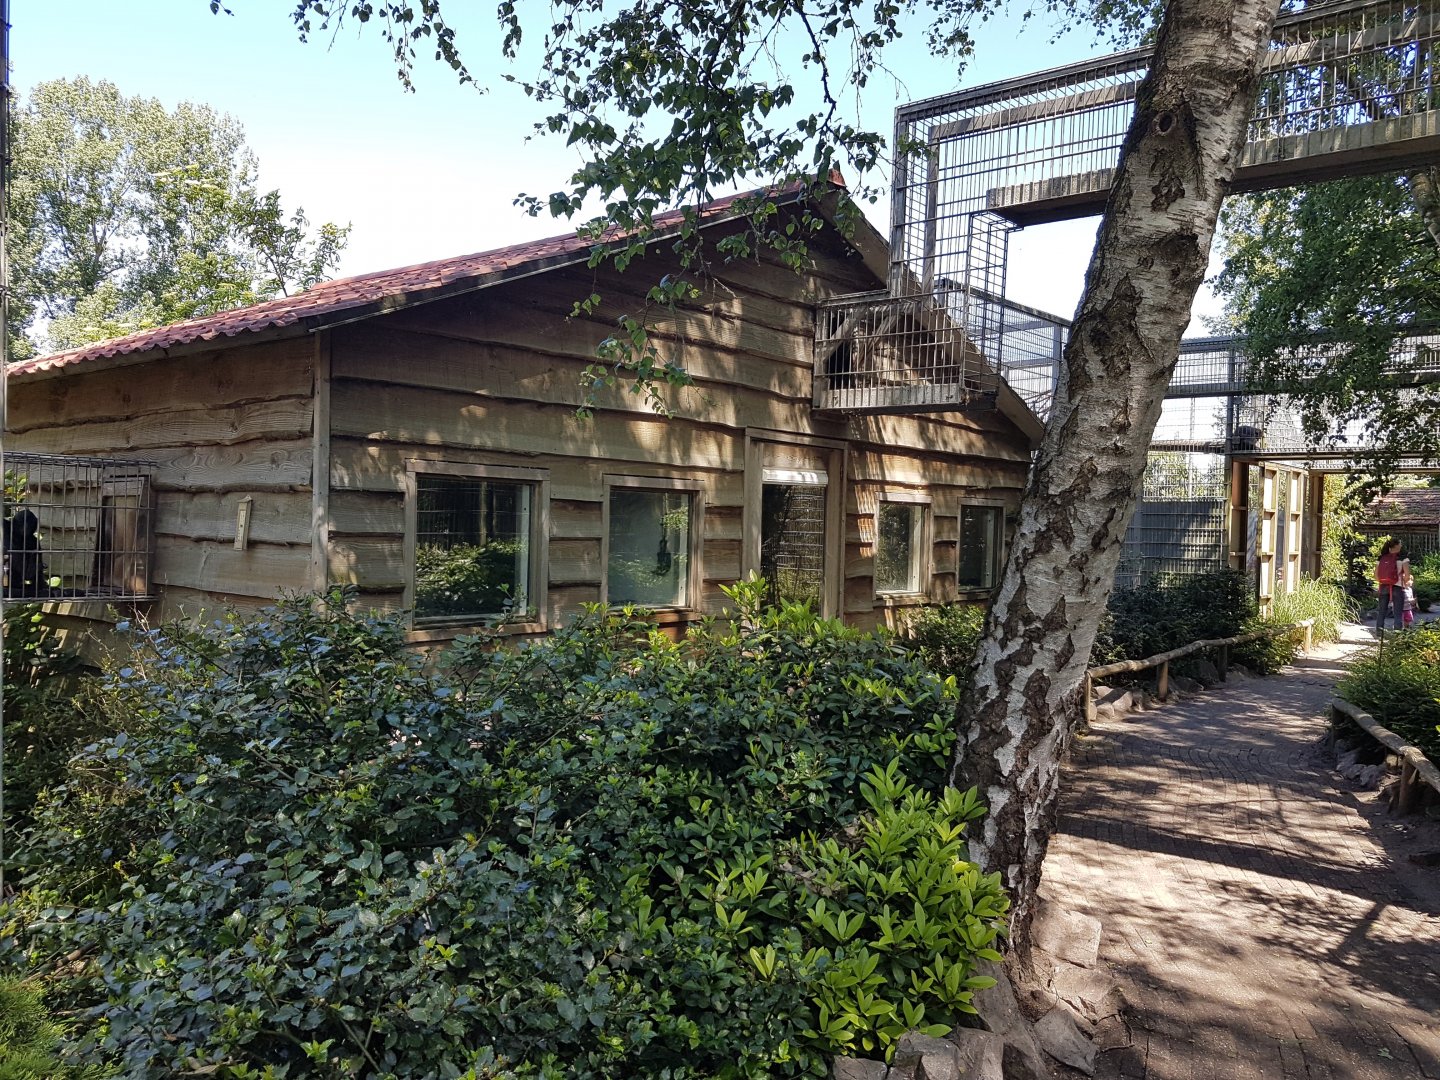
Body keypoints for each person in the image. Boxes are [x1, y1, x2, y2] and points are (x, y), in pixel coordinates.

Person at [1375, 538, 1404, 631]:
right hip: (1398, 586)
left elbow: (1376, 576)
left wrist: (1384, 580)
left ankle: (1379, 633)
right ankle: (1398, 635)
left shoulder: (1381, 558)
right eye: (1400, 544)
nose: (1401, 545)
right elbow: (1407, 575)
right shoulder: (1402, 558)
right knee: (1398, 613)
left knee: (1381, 612)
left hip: (1383, 586)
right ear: (1396, 546)